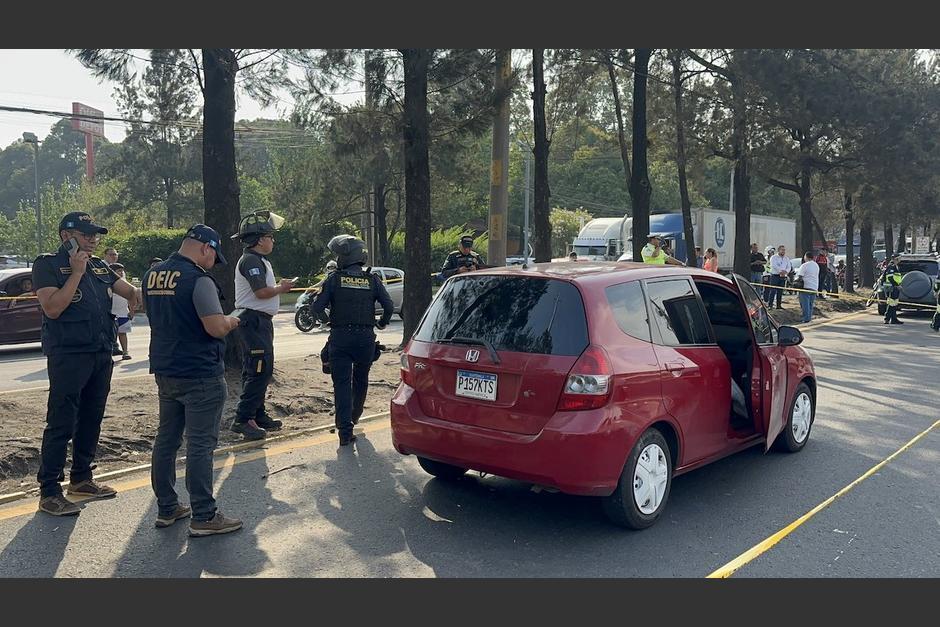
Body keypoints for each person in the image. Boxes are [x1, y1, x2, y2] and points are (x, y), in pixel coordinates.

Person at [31, 212, 140, 516]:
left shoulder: (98, 265)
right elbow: (52, 308)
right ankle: (49, 490)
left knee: (91, 417)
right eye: (86, 234)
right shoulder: (47, 265)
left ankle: (81, 478)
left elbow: (125, 288)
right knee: (61, 422)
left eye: (95, 234)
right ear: (67, 236)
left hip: (101, 351)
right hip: (69, 354)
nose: (93, 239)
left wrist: (133, 294)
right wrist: (76, 273)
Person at [145, 225, 244, 536]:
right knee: (200, 445)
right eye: (215, 257)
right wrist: (232, 320)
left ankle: (167, 507)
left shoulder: (153, 275)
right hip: (200, 373)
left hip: (166, 370)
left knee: (166, 441)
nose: (213, 264)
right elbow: (215, 326)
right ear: (206, 248)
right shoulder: (198, 279)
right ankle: (204, 515)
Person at [312, 234, 394, 446]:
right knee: (361, 380)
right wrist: (382, 323)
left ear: (346, 257)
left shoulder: (334, 279)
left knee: (341, 384)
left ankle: (345, 431)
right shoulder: (372, 280)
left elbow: (316, 308)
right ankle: (354, 418)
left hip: (340, 338)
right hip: (365, 338)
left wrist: (328, 320)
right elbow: (389, 306)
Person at [229, 211, 295, 441]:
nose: (272, 240)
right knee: (258, 370)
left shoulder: (258, 260)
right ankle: (242, 419)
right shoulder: (251, 261)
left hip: (259, 321)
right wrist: (281, 288)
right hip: (253, 320)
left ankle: (257, 413)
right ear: (259, 240)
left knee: (260, 369)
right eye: (269, 236)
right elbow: (261, 292)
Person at [110, 263, 134, 360]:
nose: (121, 272)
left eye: (122, 270)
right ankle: (110, 353)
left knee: (123, 333)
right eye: (118, 270)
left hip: (123, 312)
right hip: (111, 313)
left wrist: (132, 310)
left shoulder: (125, 283)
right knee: (111, 335)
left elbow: (131, 297)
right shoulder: (105, 282)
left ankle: (125, 352)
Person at [796, 252, 819, 324]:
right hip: (814, 286)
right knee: (810, 304)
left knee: (804, 303)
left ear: (806, 257)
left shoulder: (804, 265)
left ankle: (806, 318)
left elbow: (800, 276)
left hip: (805, 286)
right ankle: (809, 317)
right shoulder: (816, 265)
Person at [881, 254, 904, 325]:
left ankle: (894, 319)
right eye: (899, 258)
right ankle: (887, 318)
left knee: (894, 303)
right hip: (891, 288)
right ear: (896, 259)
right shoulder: (891, 266)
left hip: (894, 287)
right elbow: (890, 278)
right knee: (891, 303)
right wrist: (897, 285)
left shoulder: (896, 266)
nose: (900, 260)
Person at [768, 245, 790, 310]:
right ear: (779, 250)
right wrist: (780, 271)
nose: (783, 251)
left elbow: (789, 266)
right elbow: (773, 265)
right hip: (775, 275)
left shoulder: (786, 258)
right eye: (782, 250)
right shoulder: (774, 257)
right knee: (773, 291)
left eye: (784, 250)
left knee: (780, 291)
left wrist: (786, 272)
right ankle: (770, 305)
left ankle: (778, 305)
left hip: (783, 277)